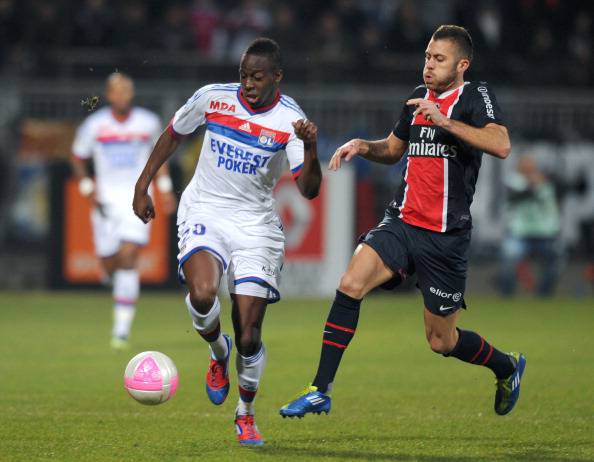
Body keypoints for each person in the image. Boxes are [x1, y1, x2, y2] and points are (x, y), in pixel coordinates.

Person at [280, 25, 526, 419]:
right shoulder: (416, 98)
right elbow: (394, 150)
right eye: (427, 56)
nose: (428, 65)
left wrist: (443, 121)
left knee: (441, 341)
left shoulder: (476, 96)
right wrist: (363, 145)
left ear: (462, 64)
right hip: (402, 222)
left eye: (439, 59)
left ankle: (506, 367)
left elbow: (501, 144)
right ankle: (319, 389)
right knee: (350, 283)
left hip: (445, 237)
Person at [132, 38, 322, 446]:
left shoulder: (290, 119)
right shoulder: (213, 98)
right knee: (203, 295)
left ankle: (246, 414)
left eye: (256, 77)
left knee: (250, 333)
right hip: (205, 210)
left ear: (277, 77)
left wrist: (309, 145)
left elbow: (308, 189)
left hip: (255, 224)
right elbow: (173, 134)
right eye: (243, 75)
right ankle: (219, 351)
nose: (247, 84)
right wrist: (142, 184)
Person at [71, 72, 176, 351]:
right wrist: (85, 185)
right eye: (117, 91)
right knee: (109, 263)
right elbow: (78, 156)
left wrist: (164, 187)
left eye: (127, 90)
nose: (123, 95)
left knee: (129, 257)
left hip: (138, 198)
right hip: (106, 202)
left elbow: (159, 158)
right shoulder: (95, 124)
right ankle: (112, 278)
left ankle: (121, 331)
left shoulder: (147, 122)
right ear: (109, 95)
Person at [499, 154, 562, 297]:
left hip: (546, 232)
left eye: (531, 164)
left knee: (556, 262)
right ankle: (506, 295)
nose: (528, 167)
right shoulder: (513, 180)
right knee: (509, 257)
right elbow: (514, 196)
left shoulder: (546, 181)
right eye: (525, 164)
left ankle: (543, 295)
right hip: (520, 232)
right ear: (518, 166)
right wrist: (532, 186)